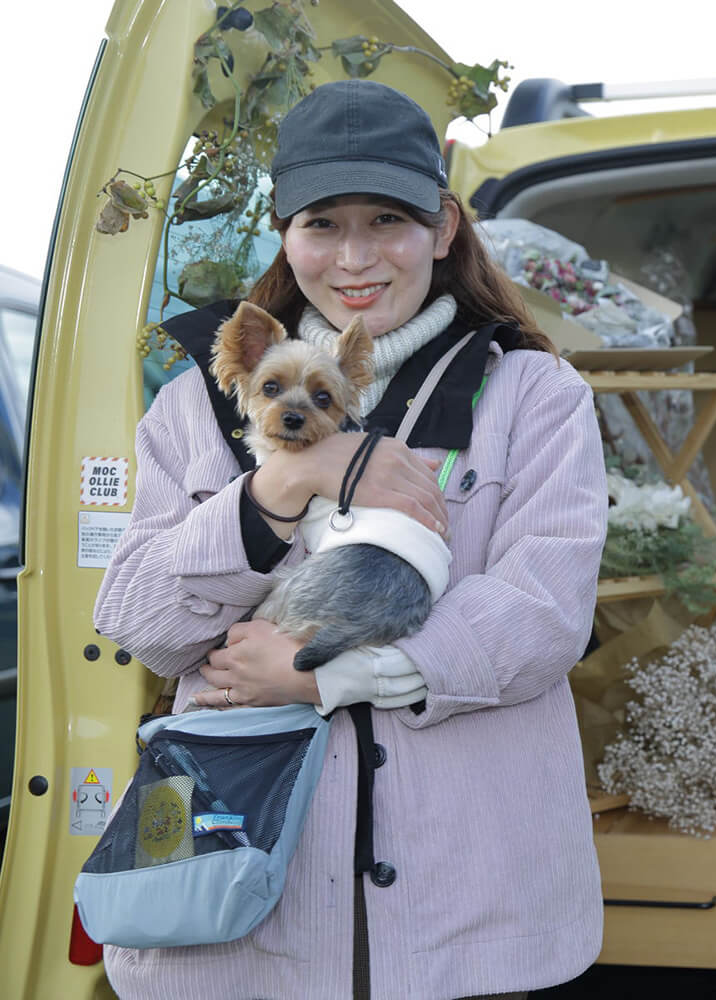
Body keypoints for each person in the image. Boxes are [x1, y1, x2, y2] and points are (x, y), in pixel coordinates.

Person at [93, 78, 607, 999]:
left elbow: (543, 612)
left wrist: (325, 675)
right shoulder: (197, 407)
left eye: (388, 220)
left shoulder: (532, 394)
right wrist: (282, 483)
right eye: (322, 223)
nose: (355, 257)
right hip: (241, 915)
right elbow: (145, 623)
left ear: (443, 228)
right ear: (286, 237)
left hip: (466, 918)